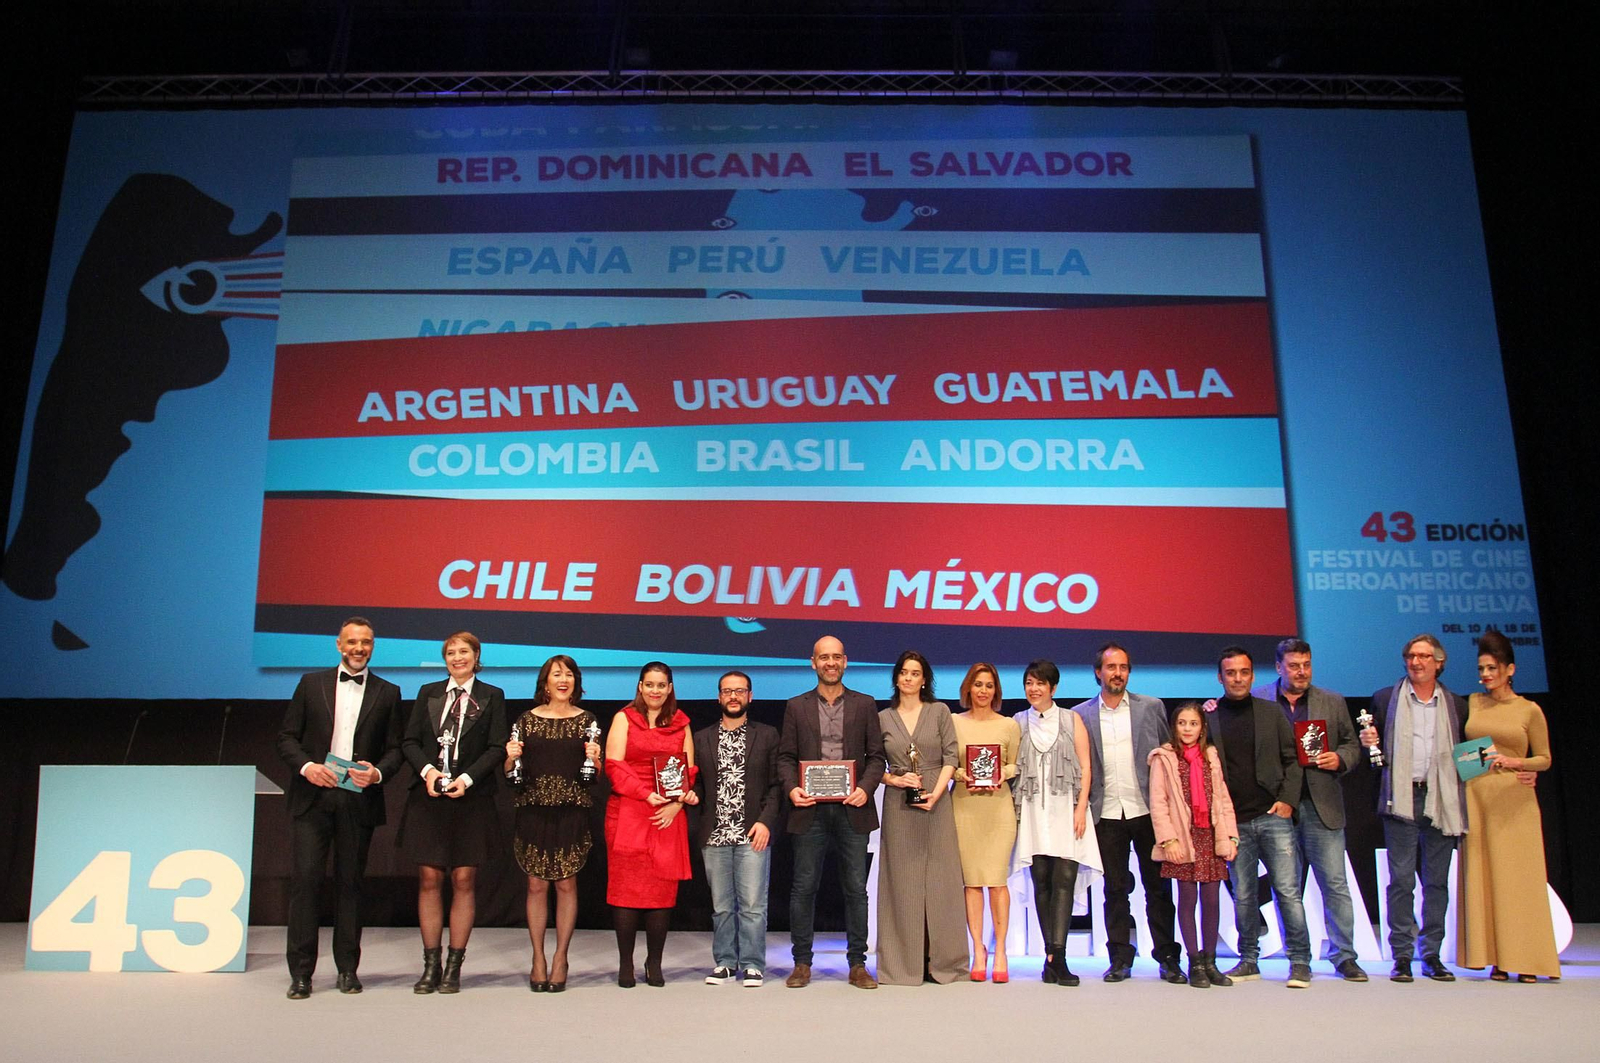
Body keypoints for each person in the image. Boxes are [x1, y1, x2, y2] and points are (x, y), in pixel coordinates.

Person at [276, 616, 405, 999]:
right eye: (352, 641)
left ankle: (347, 970)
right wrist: (308, 767)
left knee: (350, 886)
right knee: (306, 884)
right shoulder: (310, 683)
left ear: (373, 646)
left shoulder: (388, 692)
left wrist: (376, 773)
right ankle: (301, 974)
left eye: (366, 642)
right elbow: (286, 738)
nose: (359, 648)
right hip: (313, 798)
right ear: (338, 644)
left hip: (358, 800)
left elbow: (397, 749)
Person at [399, 631, 509, 993]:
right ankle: (430, 965)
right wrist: (428, 772)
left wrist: (466, 779)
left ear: (477, 656)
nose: (457, 657)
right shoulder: (428, 693)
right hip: (429, 798)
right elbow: (410, 742)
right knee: (429, 880)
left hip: (471, 799)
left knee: (463, 881)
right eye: (451, 652)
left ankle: (453, 967)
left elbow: (497, 747)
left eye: (464, 651)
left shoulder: (492, 695)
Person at [777, 634, 885, 989]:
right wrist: (792, 788)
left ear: (845, 661)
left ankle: (858, 964)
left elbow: (876, 757)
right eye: (824, 657)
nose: (830, 663)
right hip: (809, 810)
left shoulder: (865, 704)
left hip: (853, 807)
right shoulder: (796, 706)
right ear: (813, 663)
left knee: (855, 889)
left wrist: (865, 788)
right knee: (803, 888)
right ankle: (801, 963)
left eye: (836, 657)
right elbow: (786, 758)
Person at [1359, 633, 1467, 983]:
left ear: (1439, 663)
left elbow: (1467, 754)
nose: (1416, 662)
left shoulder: (1456, 704)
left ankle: (1431, 954)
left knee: (1436, 882)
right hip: (1401, 797)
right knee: (1401, 881)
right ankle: (1402, 955)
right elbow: (1374, 754)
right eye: (1411, 656)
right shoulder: (1385, 698)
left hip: (1441, 799)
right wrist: (1367, 745)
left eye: (1424, 656)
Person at [1255, 638, 1366, 981]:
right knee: (1286, 888)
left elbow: (1352, 744)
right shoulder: (1258, 699)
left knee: (1334, 884)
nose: (1301, 672)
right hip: (1277, 806)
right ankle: (1298, 958)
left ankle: (1344, 956)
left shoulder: (1331, 701)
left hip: (1322, 803)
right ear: (1279, 667)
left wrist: (1341, 758)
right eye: (1294, 666)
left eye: (1306, 665)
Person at [1072, 641, 1181, 983]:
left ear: (1129, 672)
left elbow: (1167, 755)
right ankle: (1120, 958)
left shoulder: (1152, 707)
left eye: (1123, 667)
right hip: (1106, 813)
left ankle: (1168, 957)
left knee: (1158, 888)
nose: (1117, 673)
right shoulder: (1081, 714)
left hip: (1148, 811)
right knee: (1115, 891)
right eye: (1111, 667)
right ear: (1098, 672)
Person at [1208, 645, 1312, 988]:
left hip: (1273, 817)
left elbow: (1292, 759)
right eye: (1230, 673)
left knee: (1288, 892)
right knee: (1244, 896)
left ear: (1252, 676)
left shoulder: (1271, 713)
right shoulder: (1210, 716)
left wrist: (1287, 801)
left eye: (1244, 672)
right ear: (1220, 677)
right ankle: (1249, 959)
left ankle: (1300, 962)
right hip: (1233, 822)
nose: (1237, 679)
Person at [1459, 630, 1559, 982]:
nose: (1485, 675)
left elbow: (1544, 758)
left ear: (1510, 669)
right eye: (1481, 669)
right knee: (1487, 878)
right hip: (1477, 796)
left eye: (1492, 668)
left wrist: (1518, 763)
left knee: (1518, 880)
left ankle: (1528, 960)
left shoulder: (1529, 710)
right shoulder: (1474, 702)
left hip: (1515, 800)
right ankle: (1497, 959)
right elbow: (1461, 752)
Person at [503, 654, 602, 993]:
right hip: (533, 811)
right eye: (557, 674)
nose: (563, 680)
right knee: (535, 886)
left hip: (571, 811)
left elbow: (595, 776)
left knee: (566, 885)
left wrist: (595, 760)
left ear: (576, 681)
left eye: (569, 674)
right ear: (545, 682)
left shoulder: (587, 720)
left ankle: (561, 958)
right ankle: (537, 958)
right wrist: (510, 759)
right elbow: (510, 773)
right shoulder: (526, 720)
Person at [605, 661, 698, 988]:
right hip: (629, 810)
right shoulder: (624, 718)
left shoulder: (682, 723)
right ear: (640, 687)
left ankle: (654, 962)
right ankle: (626, 964)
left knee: (661, 892)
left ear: (669, 688)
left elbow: (689, 771)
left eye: (661, 685)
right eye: (649, 684)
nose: (655, 690)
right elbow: (614, 765)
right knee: (626, 890)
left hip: (667, 815)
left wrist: (676, 804)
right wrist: (645, 793)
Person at [877, 650, 967, 985]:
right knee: (901, 883)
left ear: (924, 679)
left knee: (943, 881)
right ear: (896, 678)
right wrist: (895, 780)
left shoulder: (939, 711)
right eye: (904, 672)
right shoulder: (883, 718)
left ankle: (945, 963)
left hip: (937, 803)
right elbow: (872, 764)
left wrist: (937, 794)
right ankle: (903, 966)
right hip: (899, 805)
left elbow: (951, 756)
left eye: (915, 673)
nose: (909, 678)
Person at [1011, 659, 1100, 986]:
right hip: (1032, 810)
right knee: (1042, 882)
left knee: (1064, 879)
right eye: (1029, 683)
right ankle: (1051, 958)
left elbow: (1086, 766)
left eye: (1040, 683)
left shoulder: (1071, 719)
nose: (1034, 689)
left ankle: (1059, 957)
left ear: (1053, 688)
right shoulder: (1018, 721)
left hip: (1067, 809)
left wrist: (1081, 807)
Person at [692, 670, 782, 987]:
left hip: (752, 832)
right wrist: (691, 794)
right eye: (727, 691)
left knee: (753, 906)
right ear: (718, 697)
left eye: (740, 691)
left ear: (750, 696)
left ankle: (753, 963)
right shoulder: (701, 737)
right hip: (714, 833)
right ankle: (726, 962)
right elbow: (698, 783)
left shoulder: (767, 735)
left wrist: (766, 822)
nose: (733, 696)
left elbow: (776, 785)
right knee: (721, 907)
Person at [1148, 703, 1238, 988]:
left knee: (1212, 901)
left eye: (1193, 723)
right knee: (1188, 900)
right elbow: (1158, 802)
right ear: (1174, 727)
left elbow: (1222, 798)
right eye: (1182, 723)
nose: (1187, 729)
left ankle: (1210, 961)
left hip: (1210, 836)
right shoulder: (1164, 758)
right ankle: (1195, 962)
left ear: (1202, 728)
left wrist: (1231, 836)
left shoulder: (1210, 756)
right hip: (1182, 839)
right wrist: (1169, 840)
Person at [950, 662, 1020, 983]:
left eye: (989, 685)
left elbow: (1014, 765)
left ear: (996, 691)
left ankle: (1000, 950)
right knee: (972, 882)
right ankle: (978, 949)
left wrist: (1001, 773)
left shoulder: (1008, 725)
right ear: (968, 688)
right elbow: (948, 763)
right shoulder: (954, 722)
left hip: (998, 809)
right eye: (978, 684)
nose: (983, 691)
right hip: (965, 807)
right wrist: (961, 774)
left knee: (997, 880)